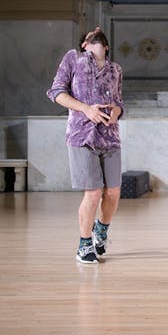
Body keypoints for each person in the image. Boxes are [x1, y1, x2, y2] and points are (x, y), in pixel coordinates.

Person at [47, 27, 124, 264]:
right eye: (91, 34)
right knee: (92, 192)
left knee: (113, 192)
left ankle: (101, 230)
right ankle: (83, 245)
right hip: (82, 136)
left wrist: (117, 111)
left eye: (100, 33)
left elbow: (120, 102)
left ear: (107, 46)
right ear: (85, 45)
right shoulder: (74, 59)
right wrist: (86, 109)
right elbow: (56, 93)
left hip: (110, 137)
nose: (97, 31)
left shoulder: (116, 69)